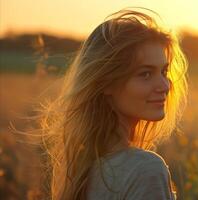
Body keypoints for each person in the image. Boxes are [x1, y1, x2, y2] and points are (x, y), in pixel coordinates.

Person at [39, 7, 188, 200]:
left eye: (163, 72)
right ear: (106, 82)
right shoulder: (145, 169)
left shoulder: (80, 171)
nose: (164, 85)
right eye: (145, 74)